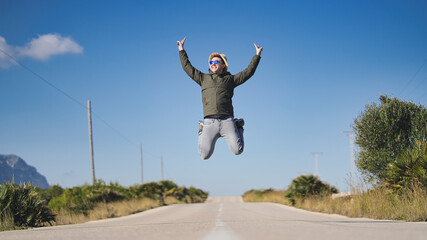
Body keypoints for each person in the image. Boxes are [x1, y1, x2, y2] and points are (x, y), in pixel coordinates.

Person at [177, 37, 263, 159]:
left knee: (238, 150)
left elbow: (248, 72)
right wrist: (181, 50)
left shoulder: (230, 79)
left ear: (223, 65)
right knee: (204, 155)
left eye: (216, 62)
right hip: (209, 122)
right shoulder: (203, 78)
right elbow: (187, 67)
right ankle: (201, 129)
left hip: (227, 120)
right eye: (211, 62)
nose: (213, 64)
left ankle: (238, 126)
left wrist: (257, 55)